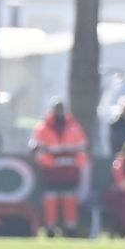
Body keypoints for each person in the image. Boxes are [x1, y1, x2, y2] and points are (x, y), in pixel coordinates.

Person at [30, 98, 88, 236]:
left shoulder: (74, 127)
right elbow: (38, 150)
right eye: (57, 109)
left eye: (62, 109)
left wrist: (75, 162)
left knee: (70, 198)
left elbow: (83, 149)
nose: (59, 112)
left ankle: (70, 227)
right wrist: (51, 162)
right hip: (52, 171)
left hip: (70, 171)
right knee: (51, 198)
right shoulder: (43, 127)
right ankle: (50, 227)